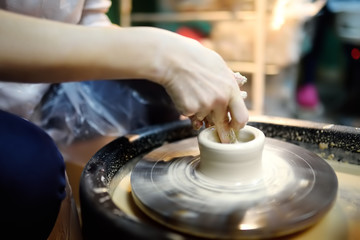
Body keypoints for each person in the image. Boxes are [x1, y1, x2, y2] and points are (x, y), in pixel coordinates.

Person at [0, 1, 248, 238]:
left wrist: (179, 68)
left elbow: (88, 22)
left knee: (158, 106)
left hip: (46, 81)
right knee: (29, 171)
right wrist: (160, 55)